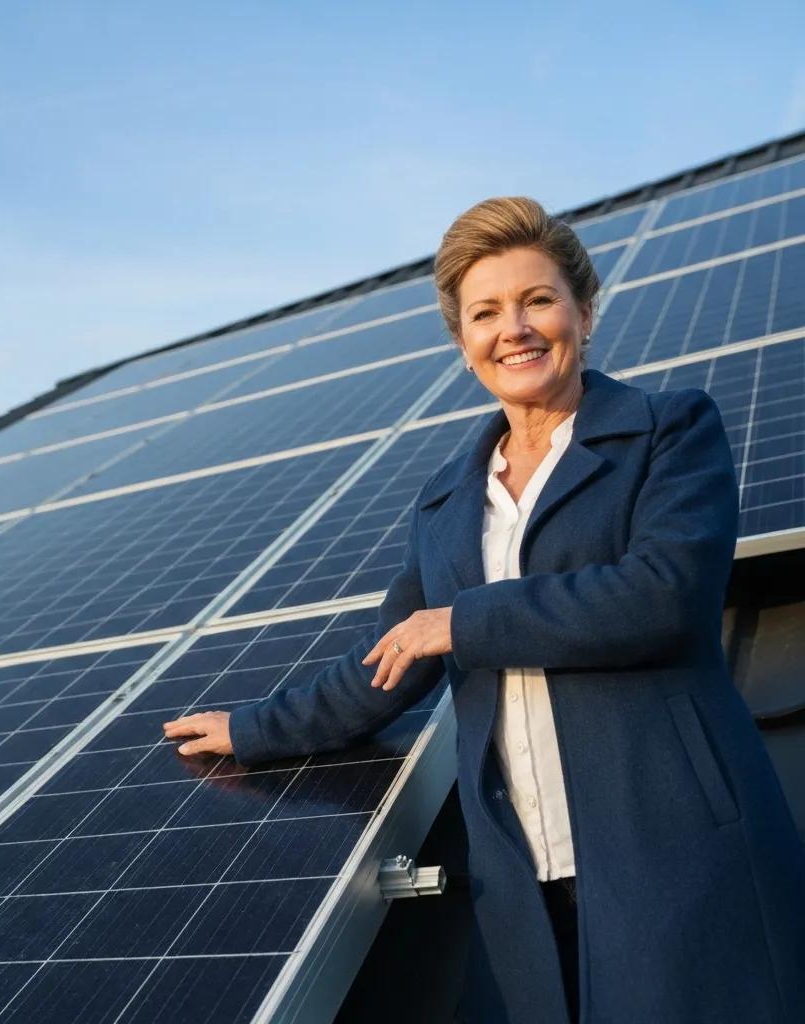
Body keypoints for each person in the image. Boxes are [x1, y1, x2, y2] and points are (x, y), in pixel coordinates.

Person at [162, 197, 805, 1023]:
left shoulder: (668, 432)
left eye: (538, 300)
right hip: (521, 880)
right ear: (464, 347)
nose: (516, 329)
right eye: (486, 313)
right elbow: (389, 662)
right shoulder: (446, 503)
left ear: (585, 311)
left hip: (676, 854)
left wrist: (463, 623)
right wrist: (253, 730)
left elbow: (665, 597)